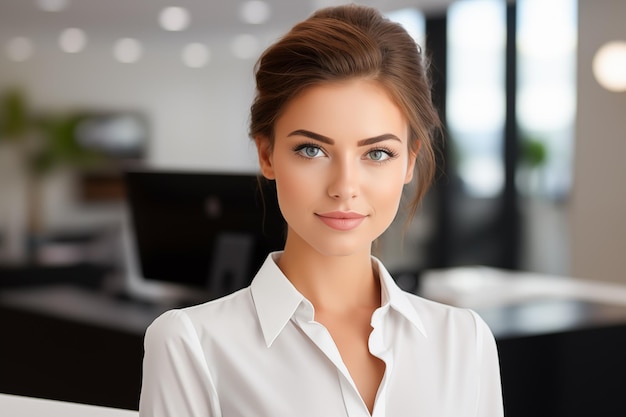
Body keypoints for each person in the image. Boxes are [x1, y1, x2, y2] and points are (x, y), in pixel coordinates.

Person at [139, 4, 503, 417]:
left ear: (410, 161)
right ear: (267, 154)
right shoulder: (193, 344)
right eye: (311, 150)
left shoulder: (464, 340)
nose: (344, 187)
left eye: (378, 153)